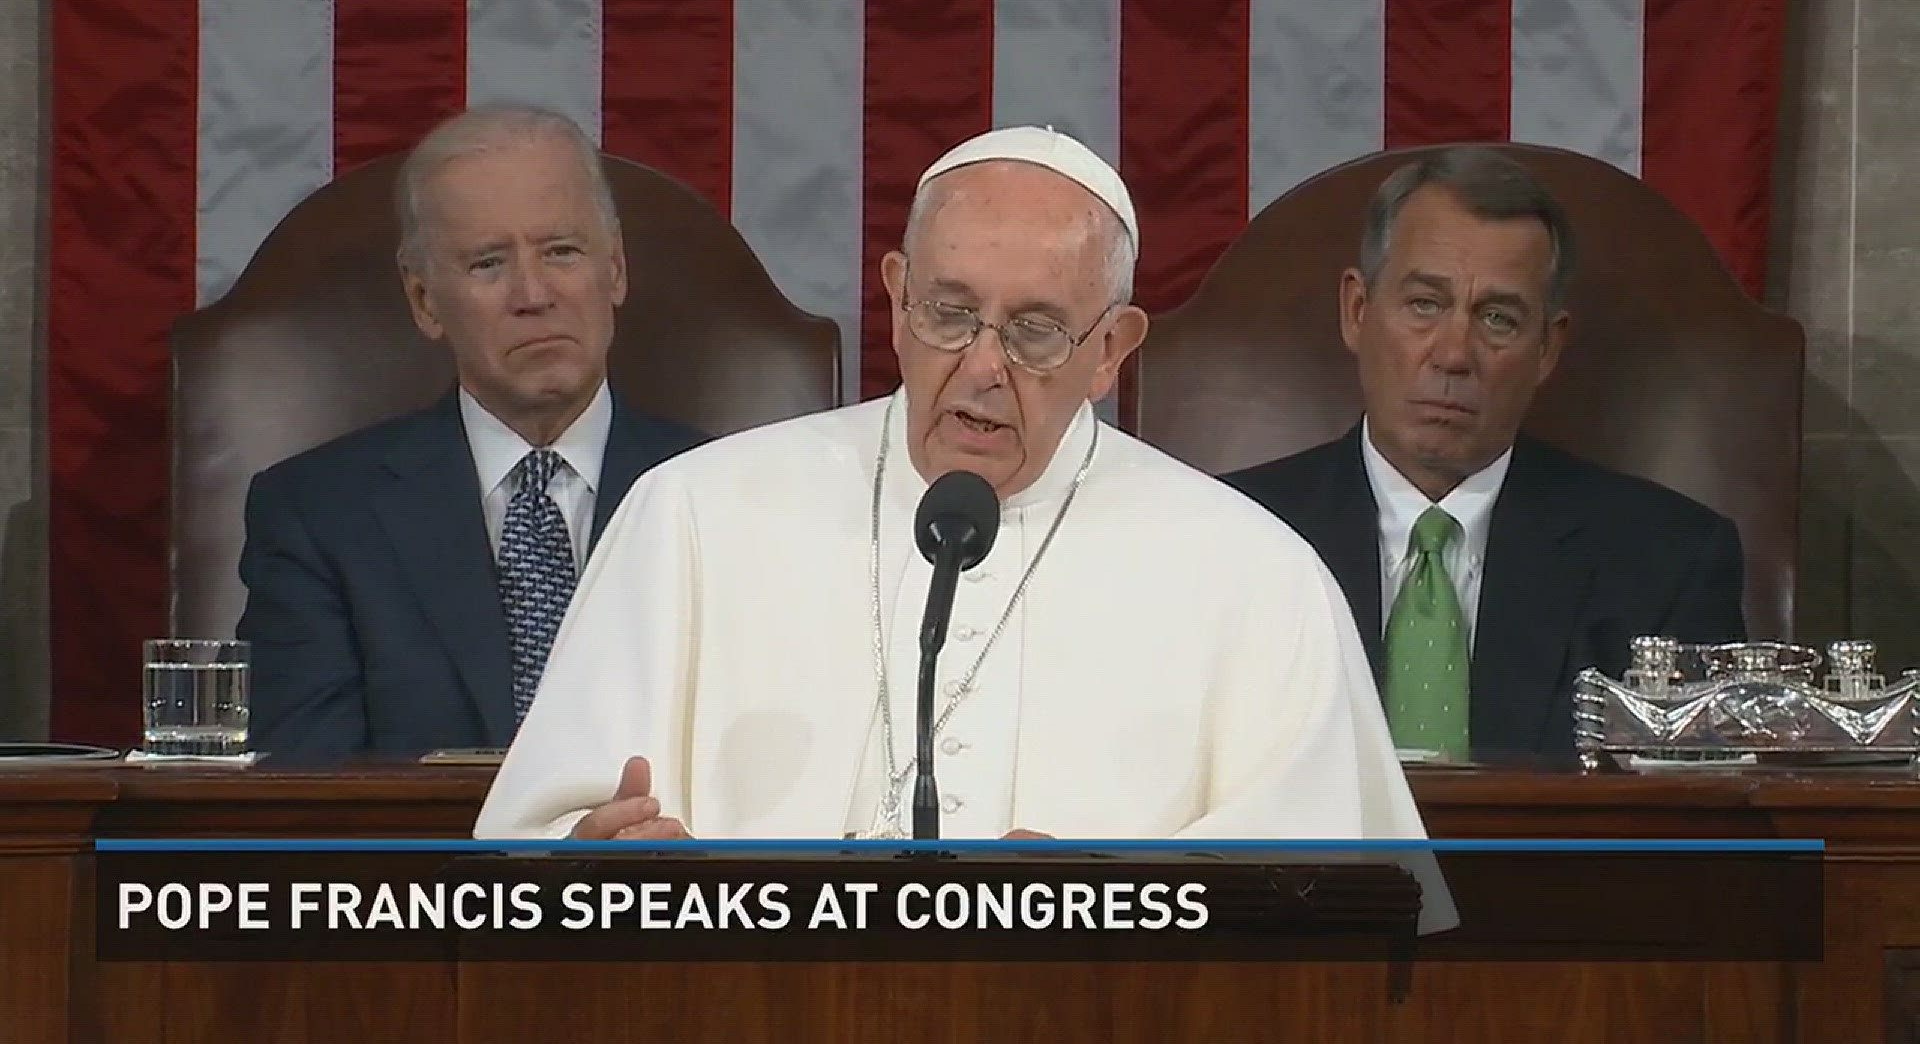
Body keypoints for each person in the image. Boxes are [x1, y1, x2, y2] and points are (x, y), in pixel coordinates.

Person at [474, 126, 1426, 842]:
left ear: (1111, 351)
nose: (981, 366)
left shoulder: (1255, 576)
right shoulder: (690, 517)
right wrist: (597, 871)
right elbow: (532, 856)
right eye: (949, 312)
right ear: (894, 297)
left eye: (1038, 330)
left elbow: (1327, 910)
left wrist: (1109, 910)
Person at [1224, 146, 1746, 764]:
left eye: (1497, 318)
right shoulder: (1227, 536)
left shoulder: (1670, 562)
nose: (1453, 354)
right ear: (1358, 312)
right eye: (1424, 305)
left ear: (1547, 349)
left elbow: (1695, 833)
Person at [238, 103, 706, 764]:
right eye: (488, 264)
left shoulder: (729, 494)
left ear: (617, 270)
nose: (533, 293)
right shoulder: (319, 517)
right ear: (426, 301)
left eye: (562, 251)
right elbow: (306, 801)